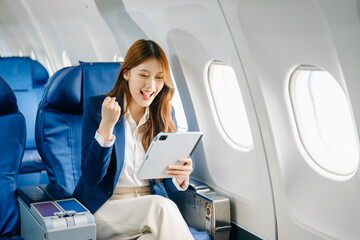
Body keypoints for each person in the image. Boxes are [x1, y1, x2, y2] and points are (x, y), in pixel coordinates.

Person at [73, 39, 194, 240]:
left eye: (159, 77)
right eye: (144, 75)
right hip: (105, 208)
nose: (151, 85)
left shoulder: (165, 114)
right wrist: (106, 126)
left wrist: (180, 177)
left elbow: (168, 186)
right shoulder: (97, 107)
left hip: (147, 208)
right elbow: (91, 175)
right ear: (126, 73)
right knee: (162, 208)